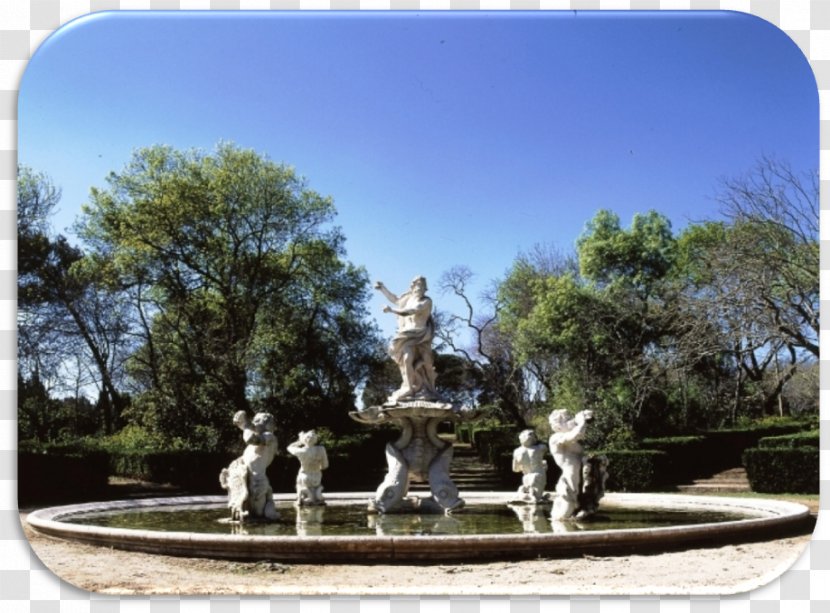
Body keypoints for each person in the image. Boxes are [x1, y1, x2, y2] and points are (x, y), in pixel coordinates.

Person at [375, 276, 437, 402]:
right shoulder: (408, 298)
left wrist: (391, 310)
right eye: (418, 285)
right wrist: (383, 289)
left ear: (425, 289)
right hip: (406, 334)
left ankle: (429, 388)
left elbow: (412, 311)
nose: (420, 288)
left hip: (420, 334)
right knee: (406, 359)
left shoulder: (427, 301)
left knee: (426, 363)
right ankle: (408, 387)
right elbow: (396, 300)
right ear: (413, 287)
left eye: (423, 286)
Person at [219, 410, 279, 521]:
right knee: (247, 515)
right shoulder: (258, 440)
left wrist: (245, 424)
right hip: (246, 479)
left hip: (257, 482)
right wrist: (242, 423)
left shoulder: (269, 437)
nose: (254, 423)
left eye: (257, 421)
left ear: (267, 424)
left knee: (258, 515)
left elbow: (250, 439)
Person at [548, 409, 593, 520]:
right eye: (567, 419)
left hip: (580, 469)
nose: (570, 421)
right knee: (571, 495)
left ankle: (580, 513)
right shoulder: (555, 437)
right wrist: (581, 422)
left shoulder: (568, 436)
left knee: (583, 494)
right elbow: (575, 435)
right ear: (558, 425)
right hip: (570, 471)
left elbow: (578, 434)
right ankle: (564, 518)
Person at [287, 429, 329, 506]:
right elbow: (325, 466)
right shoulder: (321, 449)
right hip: (317, 476)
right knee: (316, 491)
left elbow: (289, 447)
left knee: (299, 486)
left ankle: (301, 499)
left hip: (304, 476)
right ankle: (316, 498)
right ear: (315, 439)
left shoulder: (301, 451)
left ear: (304, 440)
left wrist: (299, 441)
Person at [511, 429, 549, 504]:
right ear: (534, 438)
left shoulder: (517, 451)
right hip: (538, 476)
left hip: (526, 477)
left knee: (527, 495)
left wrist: (523, 466)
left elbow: (515, 469)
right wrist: (543, 464)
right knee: (535, 498)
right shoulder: (541, 448)